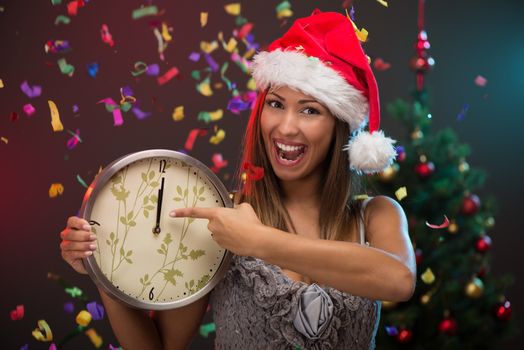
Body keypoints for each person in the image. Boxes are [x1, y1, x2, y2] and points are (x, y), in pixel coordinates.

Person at [60, 9, 416, 350]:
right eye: (276, 104)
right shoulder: (221, 216)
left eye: (310, 110)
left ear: (339, 126)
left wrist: (258, 241)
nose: (286, 126)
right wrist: (103, 268)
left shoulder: (376, 216)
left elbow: (399, 280)